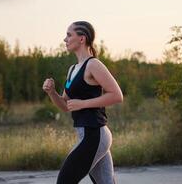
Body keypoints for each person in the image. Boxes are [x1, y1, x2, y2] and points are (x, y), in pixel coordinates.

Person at [42, 21, 123, 184]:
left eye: (69, 35)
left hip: (95, 133)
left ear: (82, 39)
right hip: (86, 134)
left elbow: (117, 95)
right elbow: (66, 105)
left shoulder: (93, 64)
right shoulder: (72, 69)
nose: (65, 39)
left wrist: (83, 104)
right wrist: (52, 93)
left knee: (64, 181)